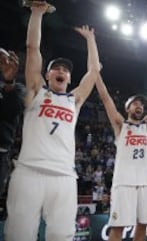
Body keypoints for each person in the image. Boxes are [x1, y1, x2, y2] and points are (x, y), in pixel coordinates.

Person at [4, 1, 101, 240]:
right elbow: (32, 48)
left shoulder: (74, 100)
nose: (62, 71)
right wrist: (37, 13)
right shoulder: (37, 91)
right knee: (19, 235)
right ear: (47, 75)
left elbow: (93, 73)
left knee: (62, 236)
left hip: (64, 177)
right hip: (29, 172)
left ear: (69, 78)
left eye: (66, 70)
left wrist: (90, 40)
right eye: (56, 68)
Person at [96, 74, 147, 241]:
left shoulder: (145, 125)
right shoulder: (120, 124)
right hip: (124, 181)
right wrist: (96, 74)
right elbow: (105, 98)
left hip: (146, 180)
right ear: (127, 108)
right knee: (118, 226)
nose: (139, 106)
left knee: (144, 224)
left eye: (141, 104)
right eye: (135, 104)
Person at [0, 48, 25, 197]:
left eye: (4, 59)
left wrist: (9, 81)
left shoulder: (17, 89)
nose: (2, 63)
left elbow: (13, 111)